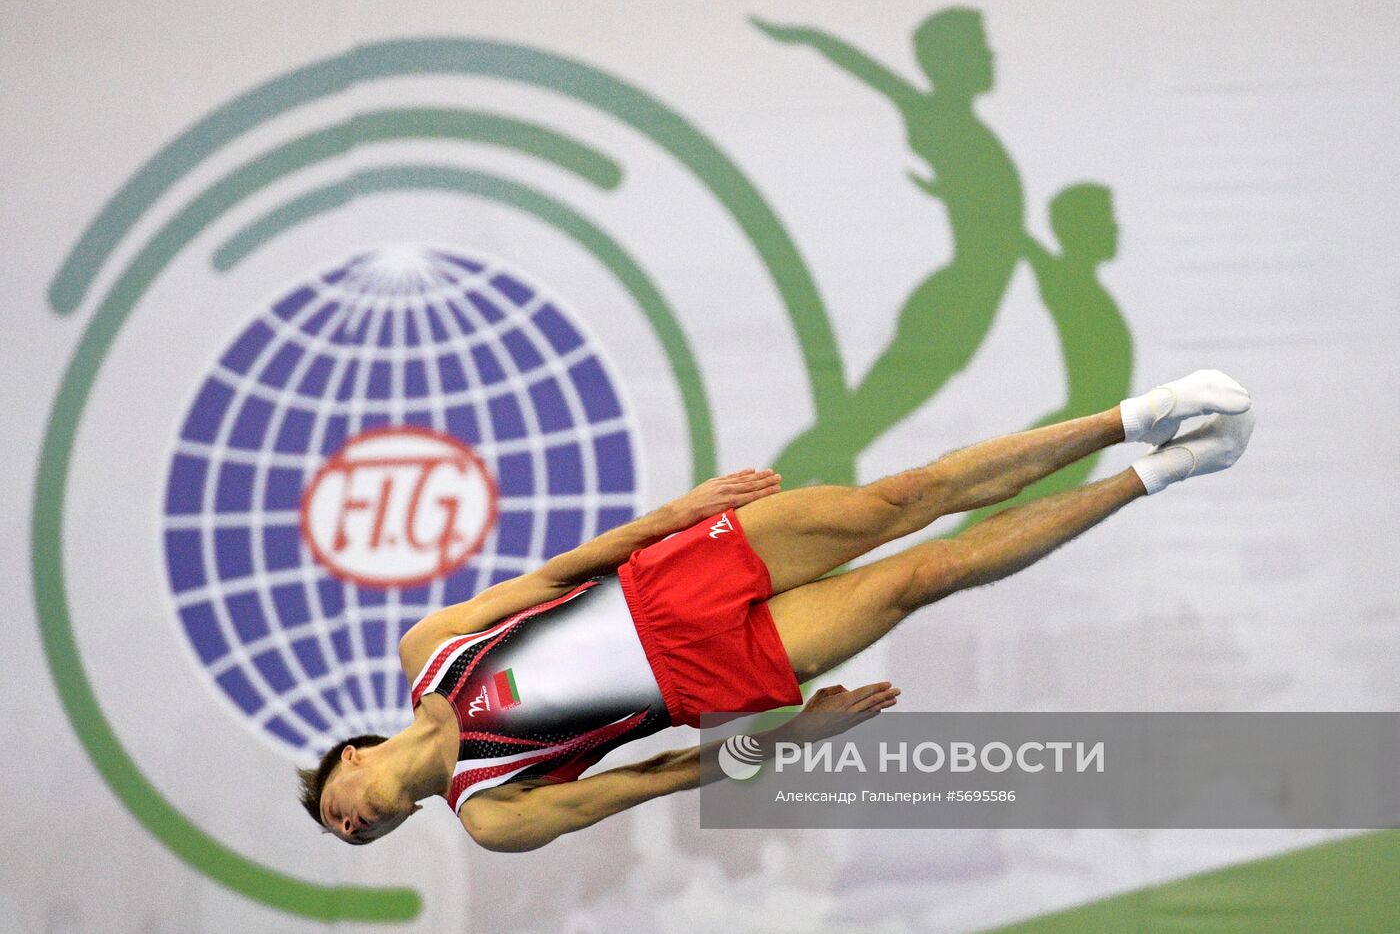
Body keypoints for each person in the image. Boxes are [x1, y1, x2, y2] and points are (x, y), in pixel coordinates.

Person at [298, 369, 1254, 851]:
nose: (351, 830)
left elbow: (557, 575)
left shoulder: (425, 650)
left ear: (348, 759)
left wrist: (672, 515)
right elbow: (660, 778)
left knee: (898, 500)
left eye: (334, 816)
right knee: (929, 573)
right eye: (354, 839)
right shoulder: (489, 815)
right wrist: (795, 739)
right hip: (696, 680)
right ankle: (1155, 472)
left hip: (662, 584)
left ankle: (1135, 416)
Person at [755, 9, 1026, 485]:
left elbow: (1004, 229)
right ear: (948, 61)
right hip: (956, 307)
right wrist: (815, 36)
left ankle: (750, 518)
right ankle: (742, 519)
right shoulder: (940, 121)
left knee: (850, 429)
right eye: (977, 45)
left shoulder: (963, 130)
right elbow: (882, 80)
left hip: (967, 307)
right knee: (850, 430)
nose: (991, 54)